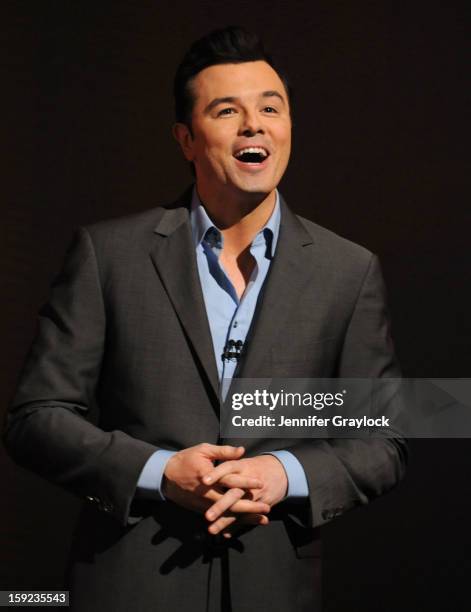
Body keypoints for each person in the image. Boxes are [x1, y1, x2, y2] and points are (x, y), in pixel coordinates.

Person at [3, 26, 407, 612]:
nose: (255, 125)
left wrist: (284, 473)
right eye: (228, 111)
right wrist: (161, 472)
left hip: (275, 589)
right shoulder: (108, 254)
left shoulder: (349, 271)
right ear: (186, 138)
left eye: (271, 107)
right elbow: (35, 419)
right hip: (127, 587)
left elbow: (386, 436)